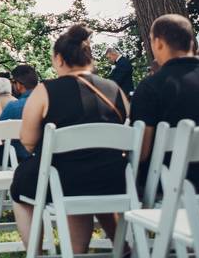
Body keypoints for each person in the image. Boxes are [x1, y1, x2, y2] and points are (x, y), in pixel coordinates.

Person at [10, 24, 129, 254]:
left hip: (65, 178)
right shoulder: (114, 89)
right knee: (86, 175)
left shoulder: (46, 91)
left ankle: (35, 252)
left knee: (19, 188)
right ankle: (114, 248)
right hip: (113, 177)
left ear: (59, 59)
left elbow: (28, 140)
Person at [131, 15, 199, 194]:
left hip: (166, 191)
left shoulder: (151, 87)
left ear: (159, 43)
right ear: (191, 41)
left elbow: (142, 151)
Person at [0, 64, 39, 162]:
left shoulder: (13, 107)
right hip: (46, 159)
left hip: (17, 159)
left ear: (19, 84)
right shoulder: (50, 104)